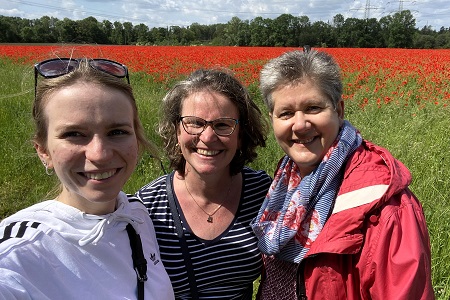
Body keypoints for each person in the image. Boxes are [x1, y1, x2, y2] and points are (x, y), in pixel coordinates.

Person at [250, 49, 435, 299]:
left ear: (339, 110)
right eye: (286, 113)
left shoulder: (386, 205)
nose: (300, 124)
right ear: (273, 119)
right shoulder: (285, 183)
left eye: (313, 108)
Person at [0, 58, 174, 299]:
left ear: (136, 138)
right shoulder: (19, 254)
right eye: (74, 134)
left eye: (117, 132)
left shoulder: (137, 214)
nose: (100, 154)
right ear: (43, 150)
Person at [133, 68, 272, 299]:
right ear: (177, 131)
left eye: (223, 125)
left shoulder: (262, 193)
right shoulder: (147, 208)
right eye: (194, 123)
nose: (207, 137)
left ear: (241, 136)